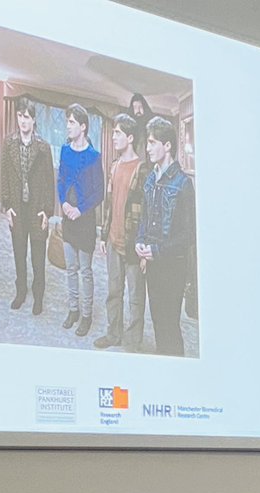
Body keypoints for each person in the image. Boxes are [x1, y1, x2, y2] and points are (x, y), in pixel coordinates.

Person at [135, 116, 195, 356]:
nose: (147, 148)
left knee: (170, 325)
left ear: (167, 145)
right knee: (158, 320)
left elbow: (190, 234)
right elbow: (145, 217)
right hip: (152, 263)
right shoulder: (151, 178)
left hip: (173, 266)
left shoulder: (183, 184)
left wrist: (157, 251)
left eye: (152, 142)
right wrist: (141, 241)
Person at [95, 114, 147, 350]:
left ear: (130, 137)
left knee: (136, 298)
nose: (113, 136)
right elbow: (109, 204)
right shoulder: (114, 166)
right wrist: (104, 235)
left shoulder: (143, 169)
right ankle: (112, 334)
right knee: (113, 292)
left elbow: (146, 213)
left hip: (133, 245)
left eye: (117, 133)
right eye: (113, 132)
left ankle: (133, 341)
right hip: (114, 241)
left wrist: (144, 249)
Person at [0, 96, 54, 314]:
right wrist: (7, 205)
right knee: (19, 253)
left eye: (28, 117)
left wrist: (47, 211)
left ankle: (38, 296)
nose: (23, 121)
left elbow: (50, 181)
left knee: (38, 256)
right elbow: (4, 174)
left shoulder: (43, 147)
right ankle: (20, 292)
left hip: (37, 209)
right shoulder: (8, 143)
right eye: (20, 116)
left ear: (34, 121)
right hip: (17, 209)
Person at [56, 103, 104, 337]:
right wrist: (63, 202)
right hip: (67, 219)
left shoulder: (94, 156)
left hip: (84, 222)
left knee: (85, 270)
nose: (68, 126)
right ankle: (73, 310)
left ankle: (86, 315)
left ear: (83, 127)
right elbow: (61, 180)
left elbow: (99, 192)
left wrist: (80, 209)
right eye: (67, 121)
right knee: (70, 268)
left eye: (72, 122)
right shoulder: (65, 150)